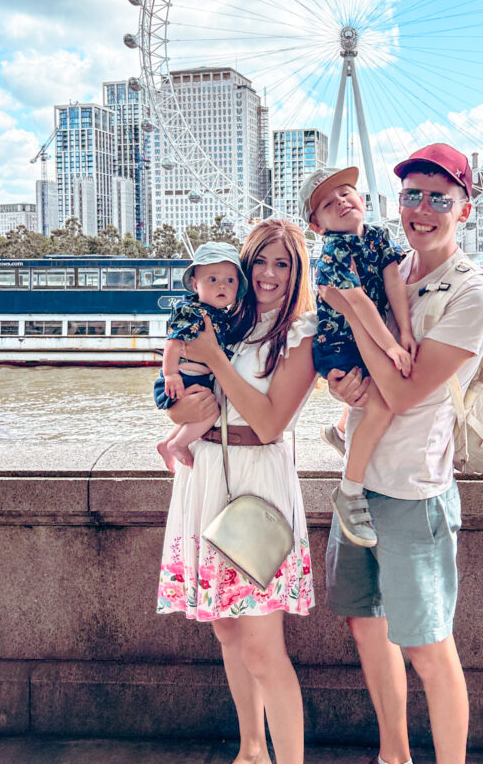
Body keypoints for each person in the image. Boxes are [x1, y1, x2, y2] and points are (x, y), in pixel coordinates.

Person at [319, 144, 483, 764]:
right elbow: (355, 363)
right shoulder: (389, 263)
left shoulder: (472, 295)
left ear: (464, 209)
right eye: (411, 197)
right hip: (358, 481)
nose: (421, 210)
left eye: (438, 199)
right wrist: (339, 383)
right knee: (366, 629)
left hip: (412, 493)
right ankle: (392, 755)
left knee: (427, 646)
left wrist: (353, 309)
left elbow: (398, 390)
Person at [157, 220, 317, 764]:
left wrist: (217, 362)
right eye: (260, 262)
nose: (269, 275)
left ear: (297, 273)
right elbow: (178, 395)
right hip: (207, 472)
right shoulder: (223, 319)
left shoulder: (301, 332)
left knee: (262, 645)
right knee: (226, 628)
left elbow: (271, 422)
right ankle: (251, 750)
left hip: (259, 482)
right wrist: (180, 406)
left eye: (283, 264)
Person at [299, 165, 415, 548]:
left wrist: (407, 330)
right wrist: (393, 346)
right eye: (329, 204)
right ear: (317, 226)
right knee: (381, 406)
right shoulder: (333, 252)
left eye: (346, 193)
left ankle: (343, 431)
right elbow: (360, 304)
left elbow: (392, 282)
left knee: (378, 399)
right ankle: (349, 492)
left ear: (361, 197)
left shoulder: (379, 236)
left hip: (369, 334)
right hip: (340, 343)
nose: (342, 203)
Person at [154, 242, 248, 471]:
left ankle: (167, 443)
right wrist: (170, 374)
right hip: (184, 377)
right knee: (211, 412)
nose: (222, 286)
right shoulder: (191, 310)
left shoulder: (223, 316)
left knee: (200, 413)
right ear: (195, 285)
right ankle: (178, 444)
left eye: (230, 280)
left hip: (198, 378)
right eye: (212, 279)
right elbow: (173, 342)